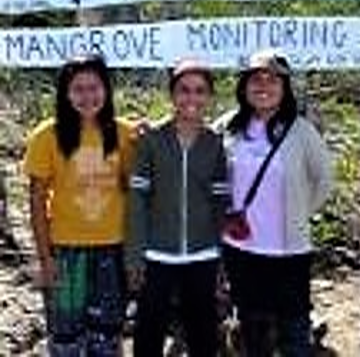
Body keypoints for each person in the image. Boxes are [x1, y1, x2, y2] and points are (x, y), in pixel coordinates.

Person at [220, 49, 332, 356]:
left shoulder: (300, 130)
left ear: (285, 88)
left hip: (289, 250)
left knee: (294, 328)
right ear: (244, 86)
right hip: (241, 247)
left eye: (273, 80)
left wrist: (299, 212)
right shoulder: (229, 127)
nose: (264, 86)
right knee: (252, 327)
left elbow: (324, 180)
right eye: (256, 79)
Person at [24, 54, 138, 356]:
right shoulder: (46, 136)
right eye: (78, 89)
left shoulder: (126, 134)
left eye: (95, 87)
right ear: (65, 93)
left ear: (107, 89)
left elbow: (136, 193)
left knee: (107, 336)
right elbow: (35, 200)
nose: (87, 96)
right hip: (65, 254)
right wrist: (45, 258)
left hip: (113, 252)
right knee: (66, 336)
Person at [128, 59, 229, 357]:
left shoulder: (214, 143)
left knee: (202, 334)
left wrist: (221, 255)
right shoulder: (151, 140)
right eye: (184, 90)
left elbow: (219, 203)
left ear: (209, 97)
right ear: (172, 95)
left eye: (200, 91)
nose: (192, 98)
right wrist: (135, 255)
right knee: (148, 333)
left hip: (203, 254)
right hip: (156, 254)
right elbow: (137, 200)